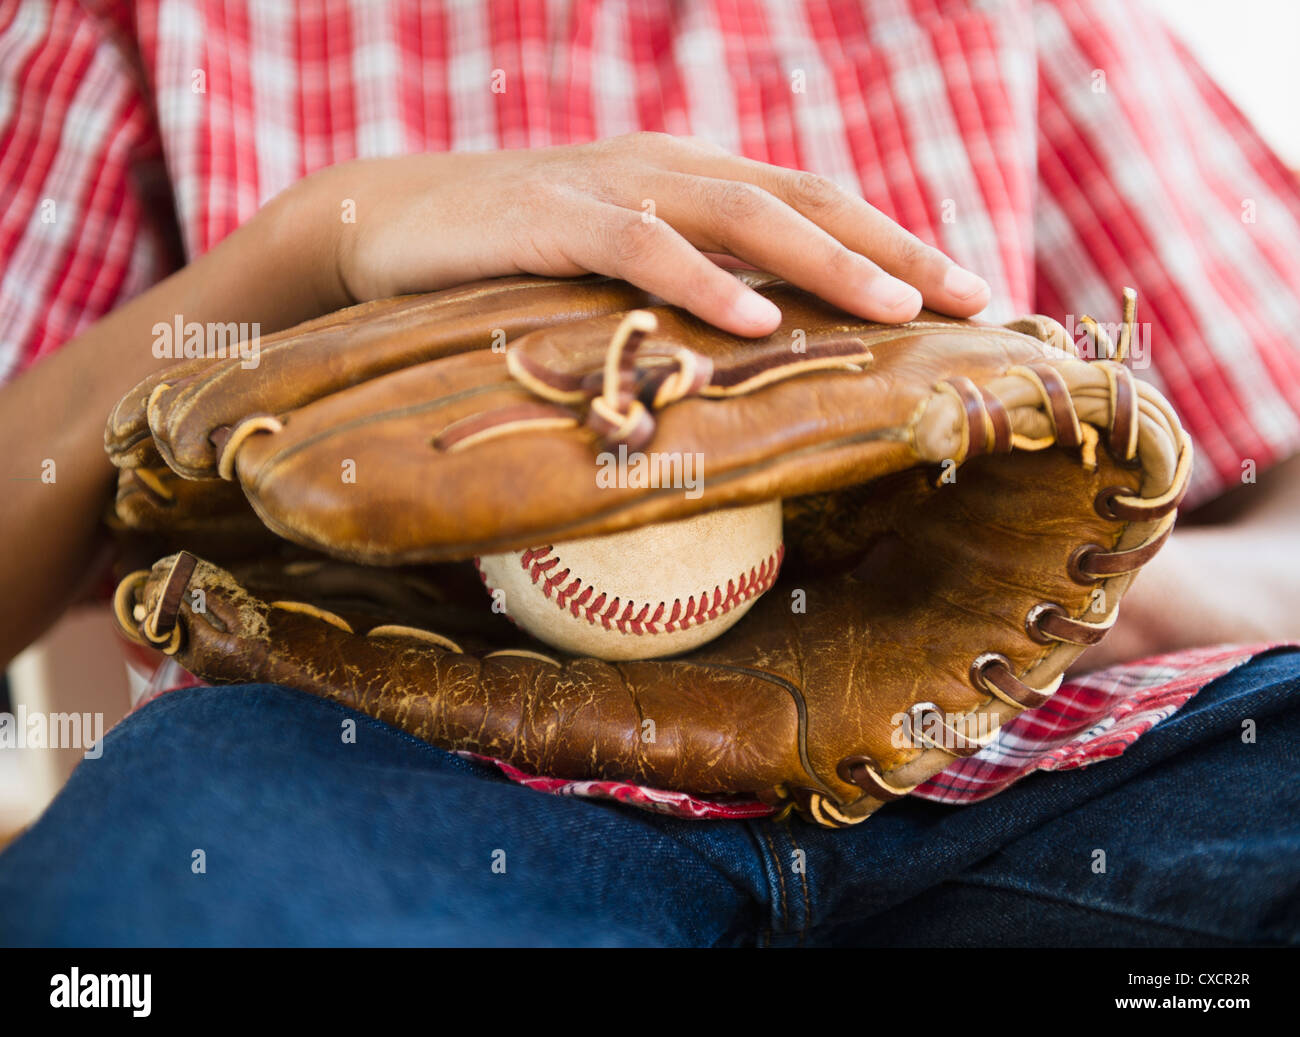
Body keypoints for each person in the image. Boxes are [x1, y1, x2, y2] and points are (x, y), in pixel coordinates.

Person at [0, 0, 1297, 946]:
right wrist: (312, 243)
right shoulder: (150, 21)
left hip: (1026, 770)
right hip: (392, 780)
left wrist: (1104, 591)